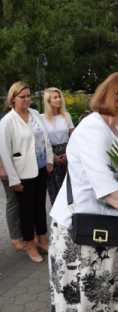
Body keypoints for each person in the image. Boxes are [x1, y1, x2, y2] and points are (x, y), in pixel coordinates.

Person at [49, 72, 118, 311]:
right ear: (116, 99)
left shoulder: (113, 131)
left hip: (111, 226)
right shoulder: (93, 131)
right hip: (82, 231)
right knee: (90, 300)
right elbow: (108, 190)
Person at [0, 81, 54, 263]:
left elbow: (45, 138)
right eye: (22, 97)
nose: (27, 100)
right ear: (12, 99)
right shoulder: (7, 121)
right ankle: (30, 244)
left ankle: (43, 238)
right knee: (26, 211)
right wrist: (13, 180)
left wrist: (49, 159)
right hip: (23, 172)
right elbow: (5, 153)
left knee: (40, 206)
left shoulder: (35, 114)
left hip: (40, 168)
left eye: (28, 96)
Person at [42, 87, 74, 205]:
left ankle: (73, 218)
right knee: (55, 189)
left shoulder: (66, 115)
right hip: (51, 154)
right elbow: (41, 141)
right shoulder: (42, 118)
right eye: (55, 97)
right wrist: (52, 157)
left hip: (67, 152)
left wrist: (68, 153)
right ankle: (58, 220)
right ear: (48, 101)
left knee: (70, 187)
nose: (59, 99)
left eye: (59, 96)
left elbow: (73, 136)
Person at [0, 156, 24, 251]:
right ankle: (16, 238)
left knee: (20, 200)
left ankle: (22, 234)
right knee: (13, 201)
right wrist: (1, 167)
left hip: (17, 163)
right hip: (6, 167)